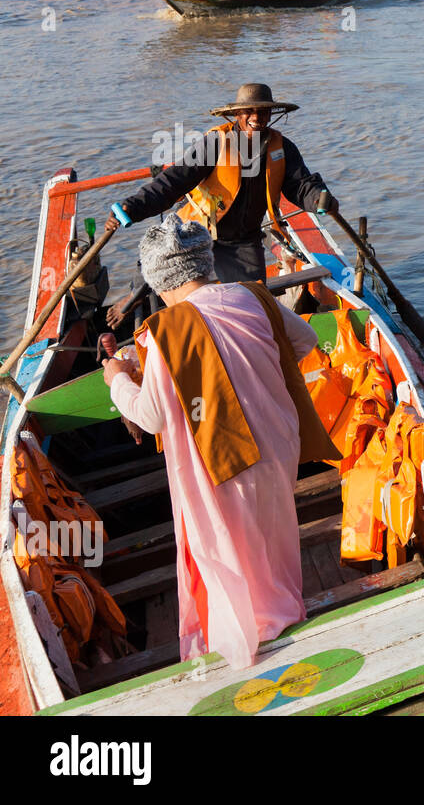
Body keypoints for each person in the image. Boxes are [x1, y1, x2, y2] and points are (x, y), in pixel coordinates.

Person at [103, 215, 340, 669]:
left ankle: (257, 637)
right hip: (278, 441)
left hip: (224, 456)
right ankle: (285, 612)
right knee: (273, 536)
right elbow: (306, 340)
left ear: (158, 279)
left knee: (230, 552)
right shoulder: (251, 296)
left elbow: (151, 416)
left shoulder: (167, 330)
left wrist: (117, 379)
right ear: (206, 263)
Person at [105, 83, 337, 292]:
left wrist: (318, 199)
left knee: (254, 301)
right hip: (195, 234)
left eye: (263, 111)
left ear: (270, 114)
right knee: (166, 289)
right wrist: (132, 208)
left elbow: (301, 185)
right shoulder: (215, 143)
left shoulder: (282, 147)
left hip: (243, 241)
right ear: (237, 114)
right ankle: (132, 305)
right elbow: (174, 181)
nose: (256, 117)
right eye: (249, 111)